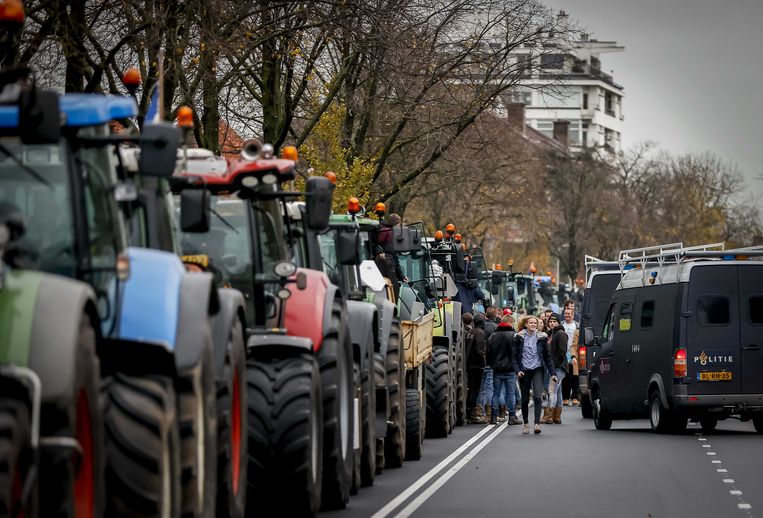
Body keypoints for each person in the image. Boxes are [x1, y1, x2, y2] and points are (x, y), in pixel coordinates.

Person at [512, 315, 555, 434]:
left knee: (537, 396)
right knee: (525, 398)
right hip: (524, 370)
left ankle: (537, 424)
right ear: (526, 324)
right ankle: (526, 424)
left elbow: (547, 357)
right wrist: (518, 370)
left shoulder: (542, 337)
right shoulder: (518, 337)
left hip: (537, 369)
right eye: (531, 323)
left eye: (535, 323)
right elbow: (514, 357)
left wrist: (553, 373)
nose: (533, 325)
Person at [487, 314, 519, 425]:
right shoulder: (514, 335)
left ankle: (493, 417)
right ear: (509, 323)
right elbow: (518, 352)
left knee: (495, 393)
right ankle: (511, 417)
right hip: (510, 369)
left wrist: (492, 363)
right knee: (511, 394)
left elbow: (488, 352)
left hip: (497, 369)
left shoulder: (493, 336)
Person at [542, 313, 568, 424]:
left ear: (558, 322)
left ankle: (548, 416)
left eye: (554, 322)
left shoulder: (561, 334)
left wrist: (555, 365)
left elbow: (562, 352)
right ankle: (556, 417)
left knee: (551, 390)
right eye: (550, 322)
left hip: (559, 367)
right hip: (553, 366)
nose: (552, 323)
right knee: (558, 392)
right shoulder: (551, 333)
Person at [465, 313, 488, 424]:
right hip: (476, 366)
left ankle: (469, 412)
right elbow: (480, 351)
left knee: (472, 389)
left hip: (470, 364)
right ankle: (474, 414)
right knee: (476, 390)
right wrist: (483, 362)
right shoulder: (480, 333)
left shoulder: (471, 332)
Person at [561, 306, 579, 405]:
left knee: (575, 376)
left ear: (573, 314)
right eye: (565, 314)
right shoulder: (561, 325)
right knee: (565, 377)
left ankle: (575, 397)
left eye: (569, 314)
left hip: (574, 354)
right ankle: (565, 398)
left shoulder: (577, 326)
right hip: (564, 354)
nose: (567, 315)